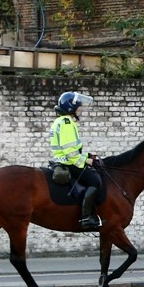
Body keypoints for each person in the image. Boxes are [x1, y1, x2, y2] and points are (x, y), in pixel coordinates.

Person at [50, 91, 102, 230]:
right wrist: (85, 162)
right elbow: (70, 152)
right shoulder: (67, 123)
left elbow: (72, 149)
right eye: (78, 106)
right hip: (68, 162)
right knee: (95, 181)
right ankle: (86, 217)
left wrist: (87, 156)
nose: (80, 109)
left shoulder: (60, 121)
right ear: (70, 108)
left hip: (64, 159)